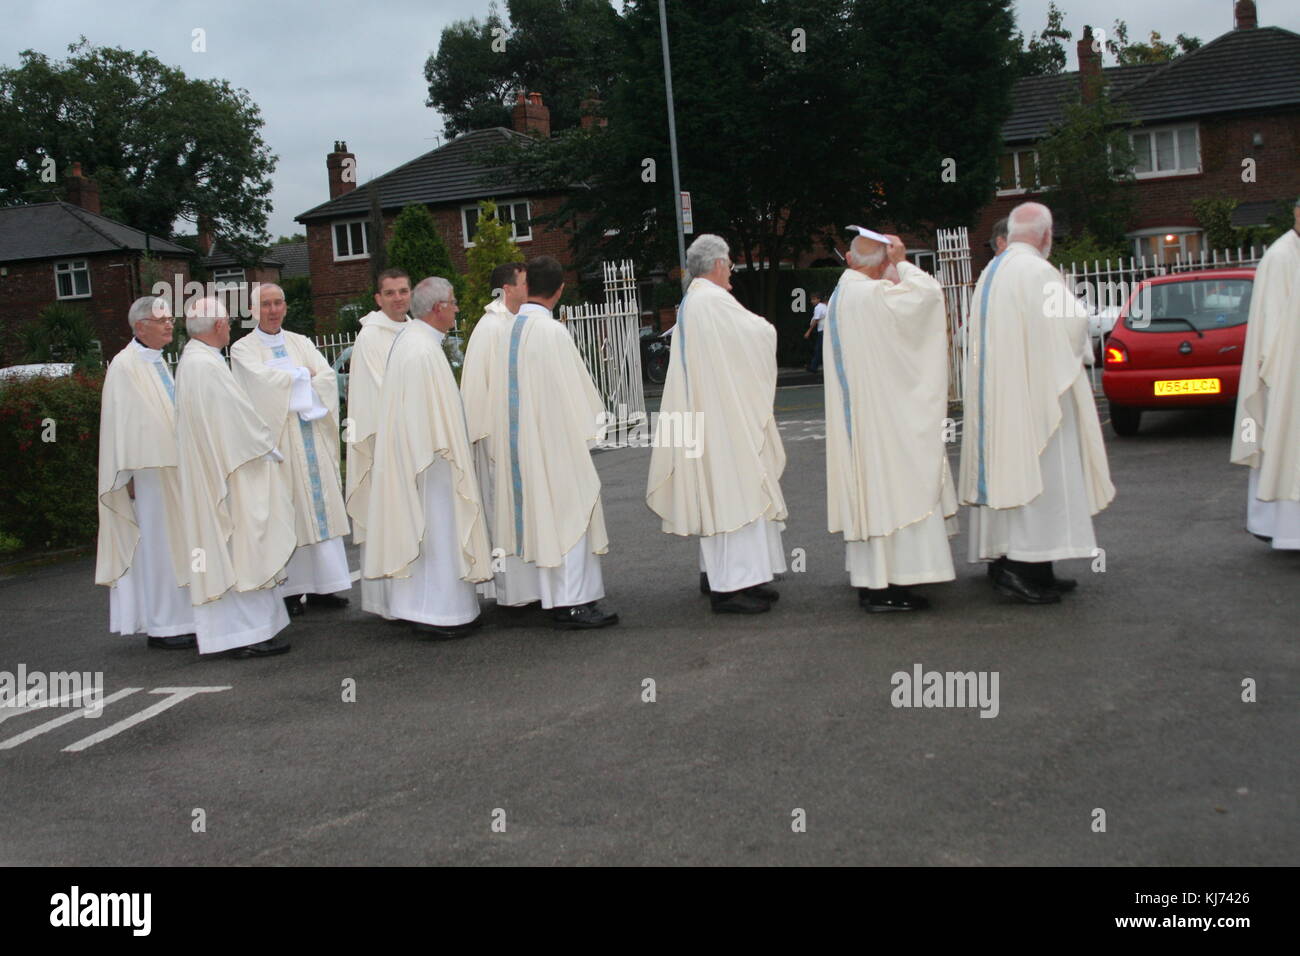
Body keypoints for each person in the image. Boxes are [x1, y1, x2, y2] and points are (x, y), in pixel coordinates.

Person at [959, 202, 1115, 604]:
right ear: (1046, 236)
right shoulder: (1038, 271)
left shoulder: (994, 270)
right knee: (1041, 481)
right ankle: (1023, 569)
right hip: (1036, 399)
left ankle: (1033, 566)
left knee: (1018, 478)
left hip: (1004, 398)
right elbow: (1072, 325)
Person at [647, 234, 787, 614]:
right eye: (730, 265)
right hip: (720, 423)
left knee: (729, 496)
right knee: (731, 496)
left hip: (713, 416)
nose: (733, 273)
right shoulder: (711, 301)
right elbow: (758, 334)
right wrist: (769, 331)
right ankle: (730, 589)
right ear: (718, 264)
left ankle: (738, 578)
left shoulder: (696, 301)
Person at [825, 227, 958, 612]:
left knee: (874, 495)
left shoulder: (843, 294)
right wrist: (902, 261)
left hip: (867, 419)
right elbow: (929, 298)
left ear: (850, 259)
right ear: (881, 264)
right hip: (884, 422)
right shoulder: (872, 296)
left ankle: (875, 581)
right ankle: (887, 588)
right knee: (892, 495)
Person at [485, 255, 618, 629]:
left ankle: (559, 598)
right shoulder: (551, 331)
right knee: (569, 519)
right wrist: (592, 430)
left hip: (522, 445)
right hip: (555, 446)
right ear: (560, 290)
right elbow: (574, 394)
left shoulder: (510, 327)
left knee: (546, 521)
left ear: (527, 287)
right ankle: (572, 603)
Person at [362, 277, 492, 636]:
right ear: (438, 309)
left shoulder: (416, 342)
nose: (456, 308)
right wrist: (448, 451)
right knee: (436, 534)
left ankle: (432, 607)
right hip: (432, 464)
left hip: (428, 460)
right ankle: (436, 612)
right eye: (453, 302)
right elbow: (425, 419)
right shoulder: (420, 350)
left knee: (435, 536)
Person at [175, 296, 296, 656]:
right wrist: (266, 444)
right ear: (217, 327)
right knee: (242, 549)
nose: (229, 326)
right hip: (231, 473)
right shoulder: (206, 366)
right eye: (227, 321)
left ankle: (250, 630)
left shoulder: (194, 362)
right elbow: (236, 422)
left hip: (216, 470)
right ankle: (243, 635)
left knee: (236, 550)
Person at [231, 283, 351, 617]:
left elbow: (326, 378)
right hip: (278, 444)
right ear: (253, 310)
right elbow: (258, 386)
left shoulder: (301, 342)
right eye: (265, 304)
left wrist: (293, 377)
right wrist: (302, 376)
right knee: (286, 512)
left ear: (286, 307)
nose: (272, 310)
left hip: (309, 435)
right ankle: (288, 590)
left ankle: (323, 588)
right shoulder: (244, 349)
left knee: (319, 509)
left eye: (278, 303)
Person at [95, 295, 195, 648]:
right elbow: (127, 425)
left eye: (170, 318)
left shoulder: (157, 361)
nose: (169, 323)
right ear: (140, 326)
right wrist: (132, 475)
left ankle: (182, 617)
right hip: (150, 474)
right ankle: (162, 625)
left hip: (173, 472)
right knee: (158, 548)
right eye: (161, 319)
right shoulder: (125, 365)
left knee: (177, 545)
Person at [459, 261, 541, 607]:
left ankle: (532, 586)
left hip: (521, 439)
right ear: (508, 289)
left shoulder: (519, 323)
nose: (529, 287)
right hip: (499, 444)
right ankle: (512, 593)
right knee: (504, 516)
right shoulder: (491, 328)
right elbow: (477, 390)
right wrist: (490, 441)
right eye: (525, 282)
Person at [1230, 197, 1300, 549]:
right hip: (1288, 376)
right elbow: (1274, 331)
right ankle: (1284, 530)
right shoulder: (1281, 257)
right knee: (1286, 450)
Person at [346, 269, 412, 617]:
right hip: (383, 444)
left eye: (403, 291)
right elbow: (384, 386)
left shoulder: (410, 329)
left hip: (407, 439)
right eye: (390, 293)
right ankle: (390, 603)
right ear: (378, 298)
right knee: (389, 520)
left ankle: (410, 596)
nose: (398, 298)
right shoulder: (372, 336)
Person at [804, 292, 827, 373]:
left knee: (818, 349)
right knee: (822, 349)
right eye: (811, 299)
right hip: (825, 330)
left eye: (814, 299)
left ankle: (813, 367)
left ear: (819, 299)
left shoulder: (818, 308)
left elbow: (816, 320)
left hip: (822, 330)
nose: (812, 301)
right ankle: (814, 366)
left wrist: (808, 331)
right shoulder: (824, 306)